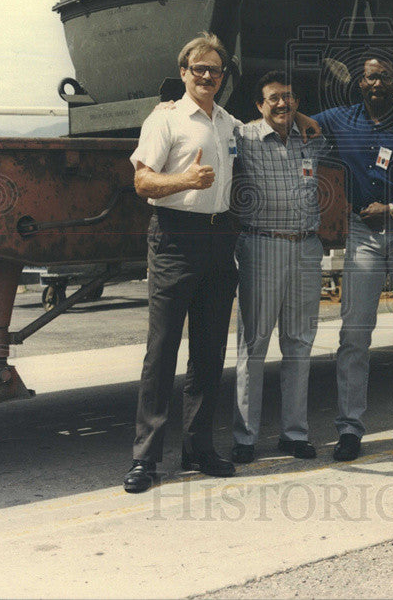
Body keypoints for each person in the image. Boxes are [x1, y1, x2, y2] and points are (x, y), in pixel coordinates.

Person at [123, 33, 242, 493]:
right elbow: (142, 182)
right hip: (175, 237)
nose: (208, 76)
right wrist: (184, 179)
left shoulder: (228, 123)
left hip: (218, 238)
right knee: (162, 351)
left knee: (209, 352)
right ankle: (145, 458)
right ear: (184, 73)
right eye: (200, 69)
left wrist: (304, 118)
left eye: (216, 70)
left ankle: (198, 449)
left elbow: (272, 121)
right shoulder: (166, 119)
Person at [313, 55, 393, 461]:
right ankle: (350, 430)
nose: (377, 83)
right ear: (359, 82)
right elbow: (291, 117)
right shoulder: (339, 120)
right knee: (353, 334)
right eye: (370, 76)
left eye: (385, 75)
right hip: (363, 237)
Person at [230, 71, 327, 463]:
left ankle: (294, 433)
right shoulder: (243, 136)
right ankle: (245, 438)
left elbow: (333, 122)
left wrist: (307, 121)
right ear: (259, 104)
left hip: (306, 248)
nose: (282, 104)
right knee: (253, 345)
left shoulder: (311, 141)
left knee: (299, 345)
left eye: (288, 97)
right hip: (262, 243)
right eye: (273, 98)